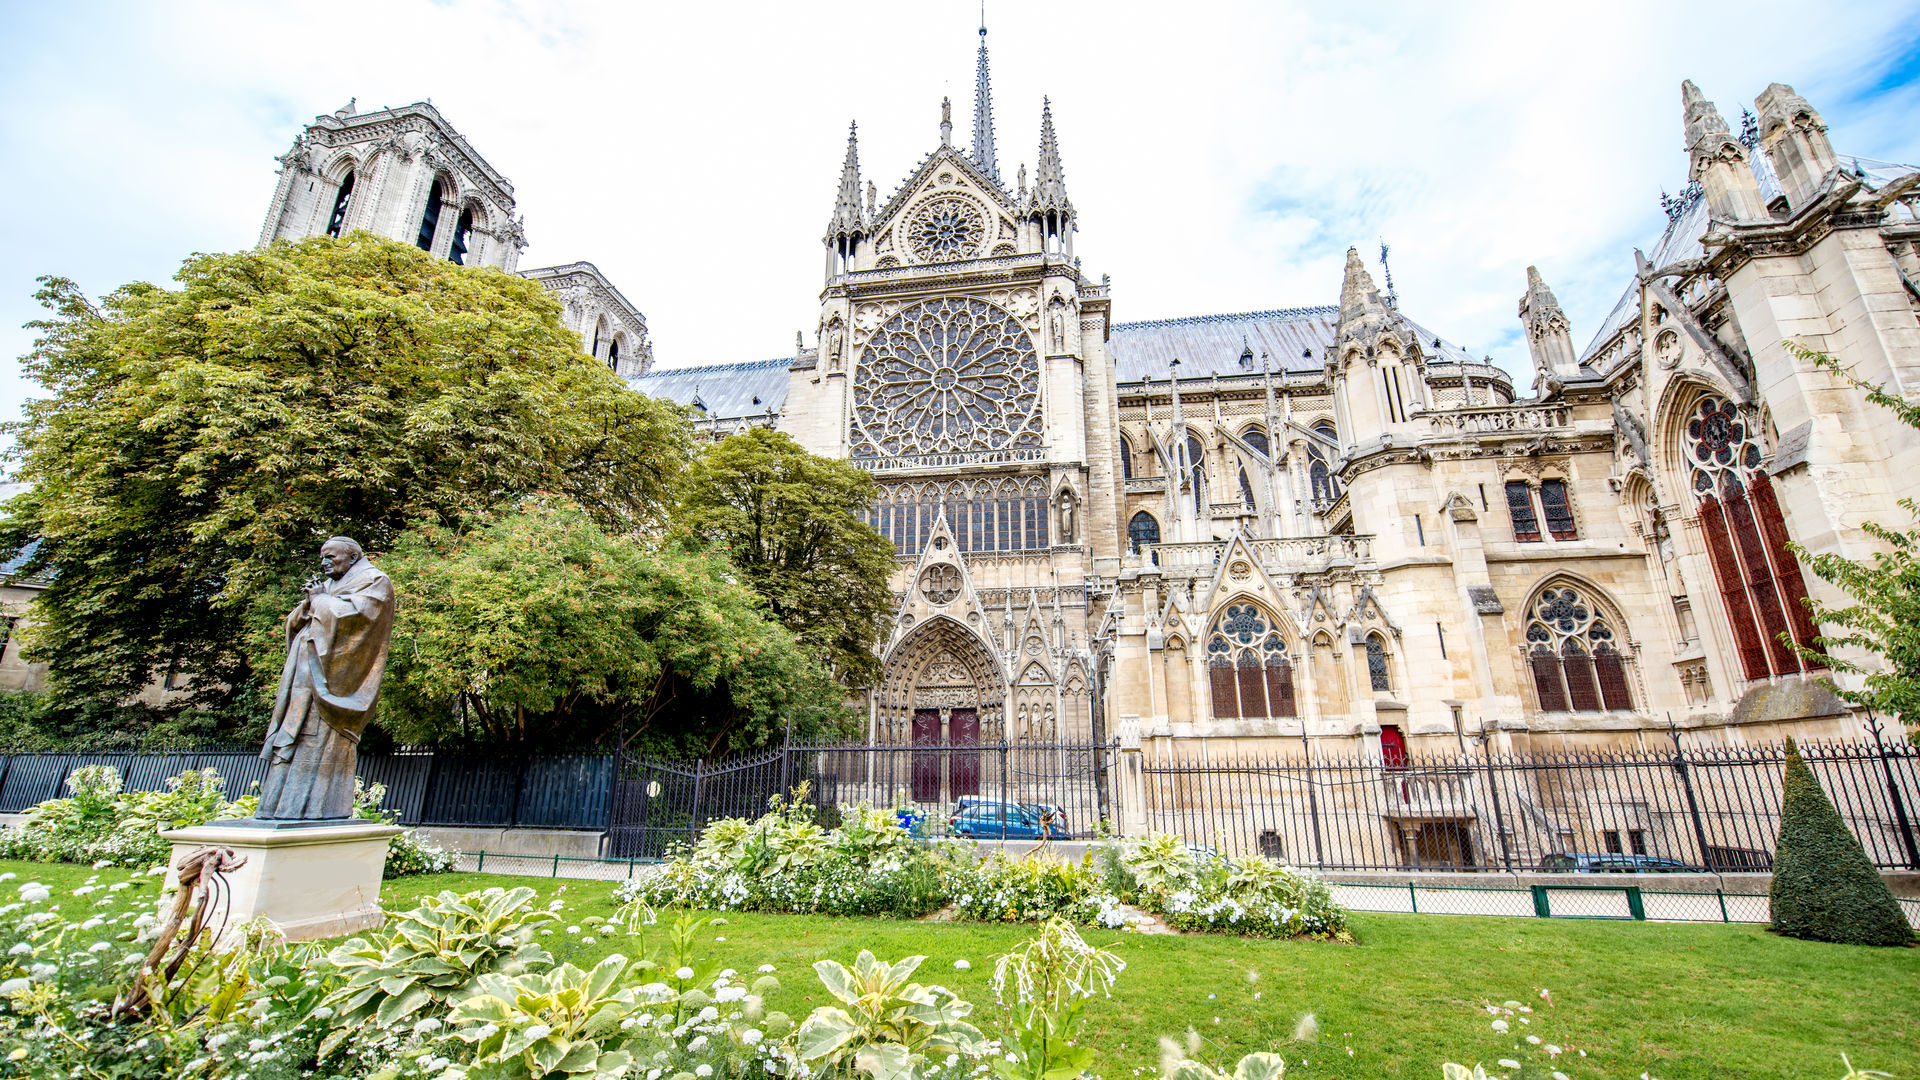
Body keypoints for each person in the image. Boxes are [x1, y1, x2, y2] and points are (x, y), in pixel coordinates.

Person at [255, 537, 395, 820]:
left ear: (353, 557)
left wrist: (319, 601)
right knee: (292, 737)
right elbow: (297, 620)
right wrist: (311, 603)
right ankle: (276, 809)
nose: (324, 563)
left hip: (331, 685)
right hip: (303, 679)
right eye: (322, 557)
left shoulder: (375, 581)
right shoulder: (329, 586)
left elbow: (358, 618)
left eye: (331, 557)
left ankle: (311, 810)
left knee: (318, 738)